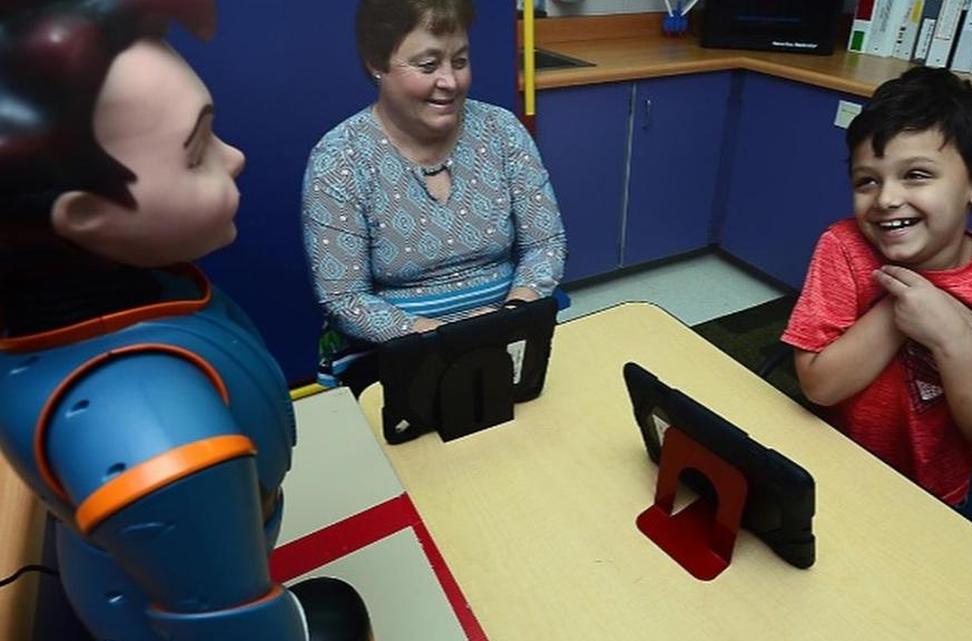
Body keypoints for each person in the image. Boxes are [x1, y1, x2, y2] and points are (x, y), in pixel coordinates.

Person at [0, 2, 367, 639]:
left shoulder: (118, 296)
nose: (236, 158)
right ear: (85, 217)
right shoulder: (155, 439)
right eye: (196, 154)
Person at [781, 67, 972, 506]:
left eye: (916, 175)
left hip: (928, 496)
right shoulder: (843, 245)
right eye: (867, 180)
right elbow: (819, 386)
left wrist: (953, 339)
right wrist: (904, 309)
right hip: (826, 462)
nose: (886, 198)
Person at [302, 0, 567, 392]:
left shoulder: (501, 131)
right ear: (378, 63)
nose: (450, 81)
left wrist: (512, 317)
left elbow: (545, 243)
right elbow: (344, 298)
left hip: (508, 343)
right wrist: (444, 340)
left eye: (459, 62)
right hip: (397, 358)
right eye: (428, 66)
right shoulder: (338, 160)